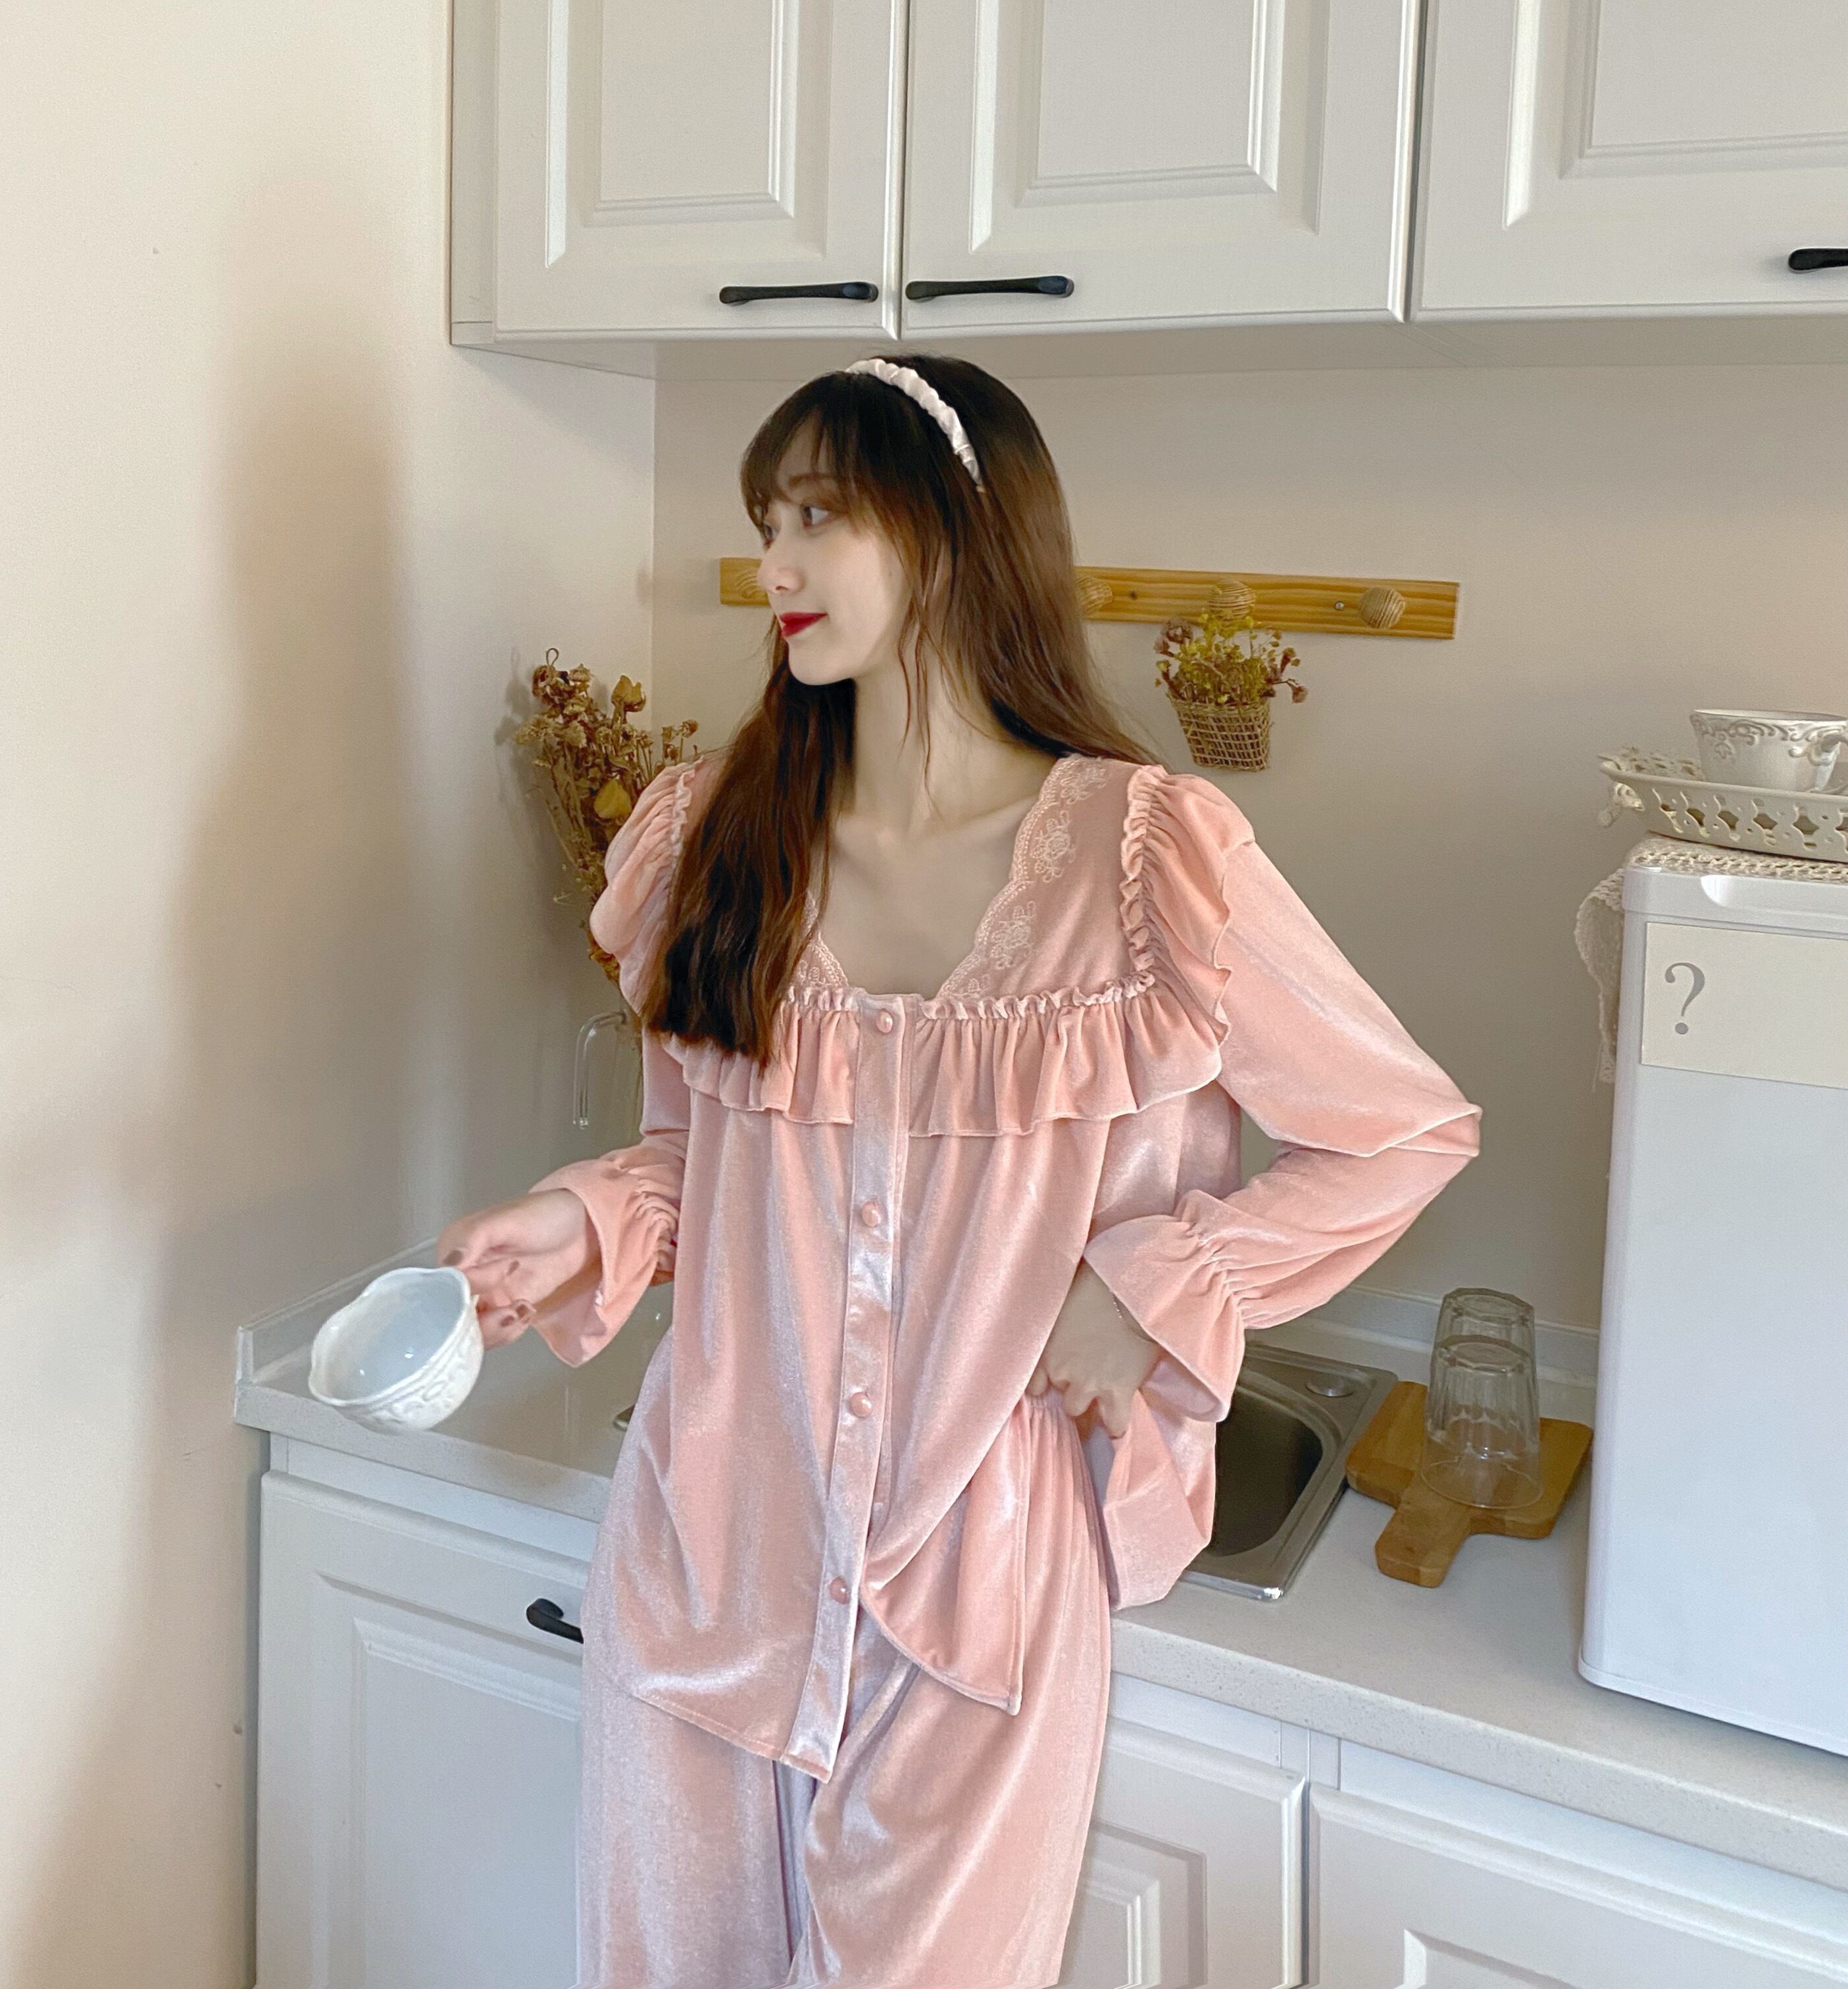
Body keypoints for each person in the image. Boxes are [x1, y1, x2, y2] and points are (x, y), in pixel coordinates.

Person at [437, 353, 1482, 1989]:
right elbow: (697, 1165)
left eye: (819, 518)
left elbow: (1401, 1130)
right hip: (712, 1546)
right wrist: (573, 1226)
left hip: (978, 1588)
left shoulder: (1149, 864)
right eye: (765, 523)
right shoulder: (716, 838)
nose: (772, 565)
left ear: (950, 534)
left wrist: (1153, 1288)